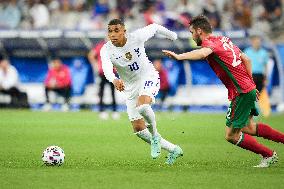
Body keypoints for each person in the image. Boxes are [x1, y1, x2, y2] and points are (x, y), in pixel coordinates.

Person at [163, 15, 284, 168]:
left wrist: (179, 56)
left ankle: (269, 155)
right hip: (247, 88)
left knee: (231, 135)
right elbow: (246, 59)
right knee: (249, 127)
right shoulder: (223, 39)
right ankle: (271, 153)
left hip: (241, 91)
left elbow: (202, 53)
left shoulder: (208, 44)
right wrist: (252, 84)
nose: (192, 36)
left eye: (191, 32)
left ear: (199, 31)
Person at [100, 19, 183, 165]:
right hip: (130, 87)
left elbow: (155, 27)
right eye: (110, 31)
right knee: (138, 129)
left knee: (143, 106)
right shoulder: (106, 49)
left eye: (116, 30)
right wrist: (114, 79)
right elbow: (106, 68)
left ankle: (155, 136)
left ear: (124, 31)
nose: (113, 34)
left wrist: (173, 36)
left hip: (148, 76)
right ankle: (174, 149)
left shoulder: (136, 37)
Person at [88, 39, 120, 120]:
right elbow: (91, 55)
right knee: (101, 92)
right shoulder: (100, 46)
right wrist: (95, 65)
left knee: (113, 92)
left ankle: (114, 111)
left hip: (112, 72)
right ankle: (102, 111)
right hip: (102, 72)